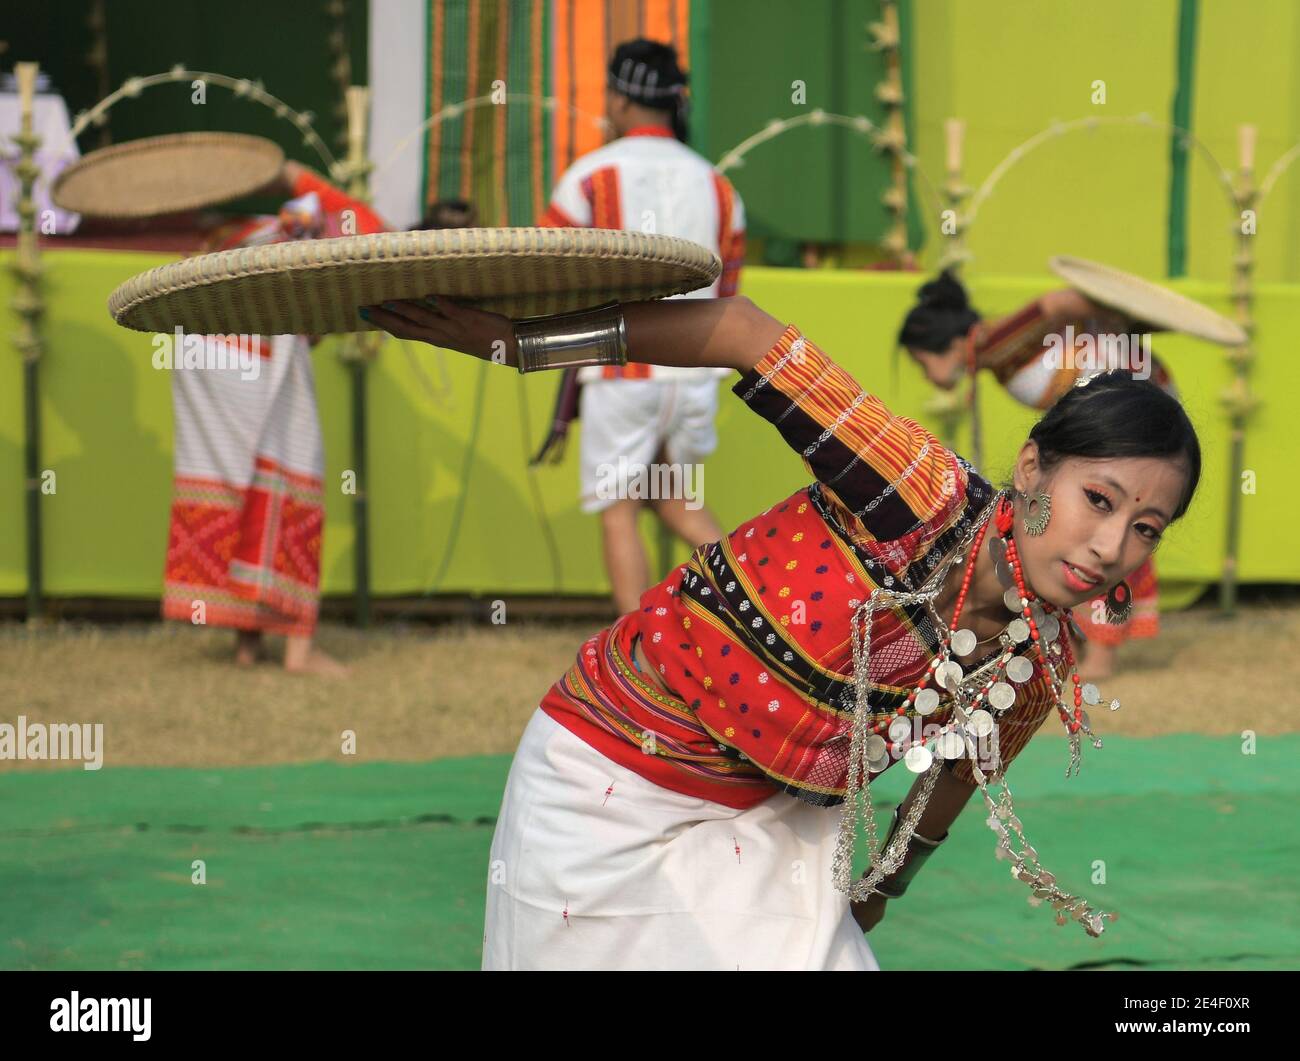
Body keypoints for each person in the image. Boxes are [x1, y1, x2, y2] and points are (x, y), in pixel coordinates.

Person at [362, 291, 1200, 970]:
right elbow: (743, 330)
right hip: (607, 780)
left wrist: (851, 917)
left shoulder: (1034, 657)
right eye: (1099, 499)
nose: (1111, 547)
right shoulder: (914, 490)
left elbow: (937, 803)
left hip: (775, 825)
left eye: (1147, 527)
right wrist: (520, 343)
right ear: (1032, 469)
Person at [532, 38, 747, 614]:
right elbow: (729, 295)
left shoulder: (589, 176)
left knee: (621, 508)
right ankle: (760, 611)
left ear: (621, 102)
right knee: (674, 499)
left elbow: (543, 271)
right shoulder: (719, 185)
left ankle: (633, 653)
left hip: (621, 370)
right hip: (695, 374)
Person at [162, 161, 386, 675]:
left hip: (202, 355)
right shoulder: (315, 220)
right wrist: (297, 176)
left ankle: (247, 644)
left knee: (240, 487)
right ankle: (298, 651)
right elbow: (366, 222)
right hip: (256, 356)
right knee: (291, 477)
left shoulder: (231, 233)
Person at [898, 271, 1178, 678]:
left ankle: (1102, 651)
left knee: (1108, 529)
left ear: (950, 343)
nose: (929, 377)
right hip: (1124, 414)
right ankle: (1088, 645)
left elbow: (1062, 301)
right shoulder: (997, 353)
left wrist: (1122, 317)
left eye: (924, 364)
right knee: (1092, 529)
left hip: (1131, 417)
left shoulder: (995, 340)